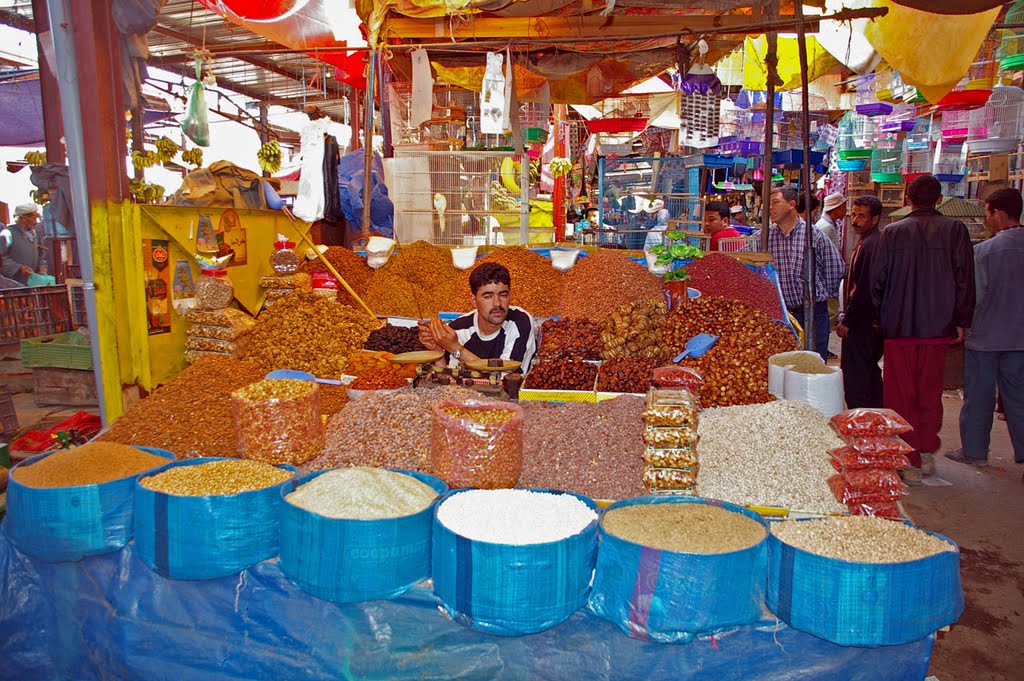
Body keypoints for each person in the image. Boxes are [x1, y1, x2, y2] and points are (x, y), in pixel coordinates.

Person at [871, 174, 975, 483]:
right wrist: (961, 319)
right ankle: (925, 453)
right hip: (938, 326)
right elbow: (964, 279)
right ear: (939, 199)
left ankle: (906, 458)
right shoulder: (955, 230)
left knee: (900, 393)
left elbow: (878, 282)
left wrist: (879, 318)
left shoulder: (892, 232)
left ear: (907, 199)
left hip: (899, 326)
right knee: (929, 392)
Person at [948, 188, 1024, 468]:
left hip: (985, 337)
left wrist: (961, 324)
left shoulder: (982, 252)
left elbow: (973, 296)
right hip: (1020, 340)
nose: (987, 218)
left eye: (988, 212)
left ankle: (975, 452)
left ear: (998, 213)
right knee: (1019, 398)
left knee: (978, 396)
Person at [750, 186, 845, 361]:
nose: (769, 208)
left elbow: (835, 268)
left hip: (812, 313)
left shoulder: (814, 235)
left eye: (775, 203)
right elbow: (745, 260)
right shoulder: (763, 237)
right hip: (780, 315)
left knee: (812, 363)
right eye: (767, 204)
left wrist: (820, 296)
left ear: (792, 204)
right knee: (782, 365)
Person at [418, 261, 536, 373]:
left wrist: (456, 348)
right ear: (474, 301)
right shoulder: (459, 329)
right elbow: (450, 382)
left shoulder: (520, 322)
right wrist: (437, 351)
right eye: (488, 296)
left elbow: (506, 380)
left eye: (503, 295)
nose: (497, 303)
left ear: (510, 296)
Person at [836, 195, 884, 408]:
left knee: (858, 376)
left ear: (875, 220)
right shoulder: (867, 242)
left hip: (863, 324)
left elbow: (864, 288)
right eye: (854, 214)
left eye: (862, 216)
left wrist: (849, 320)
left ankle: (862, 419)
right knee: (868, 371)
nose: (855, 220)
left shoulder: (872, 244)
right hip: (867, 322)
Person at [0, 203, 48, 285]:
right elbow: (2, 257)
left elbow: (41, 255)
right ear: (23, 218)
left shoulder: (34, 233)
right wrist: (19, 268)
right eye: (33, 219)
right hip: (12, 284)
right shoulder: (7, 233)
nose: (36, 222)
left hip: (32, 282)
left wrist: (42, 265)